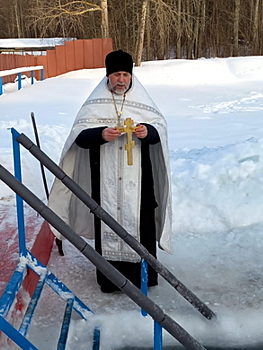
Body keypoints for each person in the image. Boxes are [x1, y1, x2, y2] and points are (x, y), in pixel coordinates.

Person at [48, 50, 172, 293]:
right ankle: (111, 282)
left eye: (126, 74)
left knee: (142, 228)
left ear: (131, 76)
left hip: (140, 186)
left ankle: (144, 281)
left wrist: (148, 132)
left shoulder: (143, 101)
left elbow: (160, 133)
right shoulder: (96, 103)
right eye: (116, 74)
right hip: (104, 185)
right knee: (108, 225)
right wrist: (101, 134)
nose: (121, 79)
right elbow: (79, 139)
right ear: (108, 76)